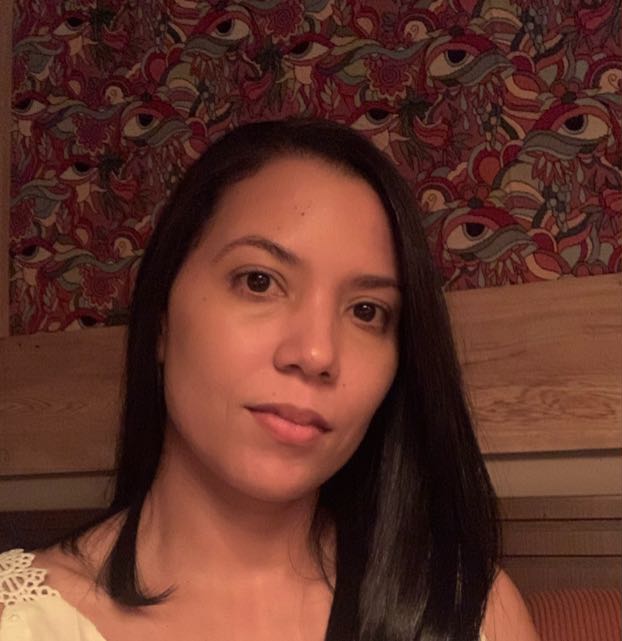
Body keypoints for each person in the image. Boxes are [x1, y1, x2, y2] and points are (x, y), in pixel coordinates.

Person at [0, 119, 539, 641]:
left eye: (367, 311)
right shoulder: (20, 621)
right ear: (161, 318)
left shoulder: (471, 612)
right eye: (259, 281)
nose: (317, 353)